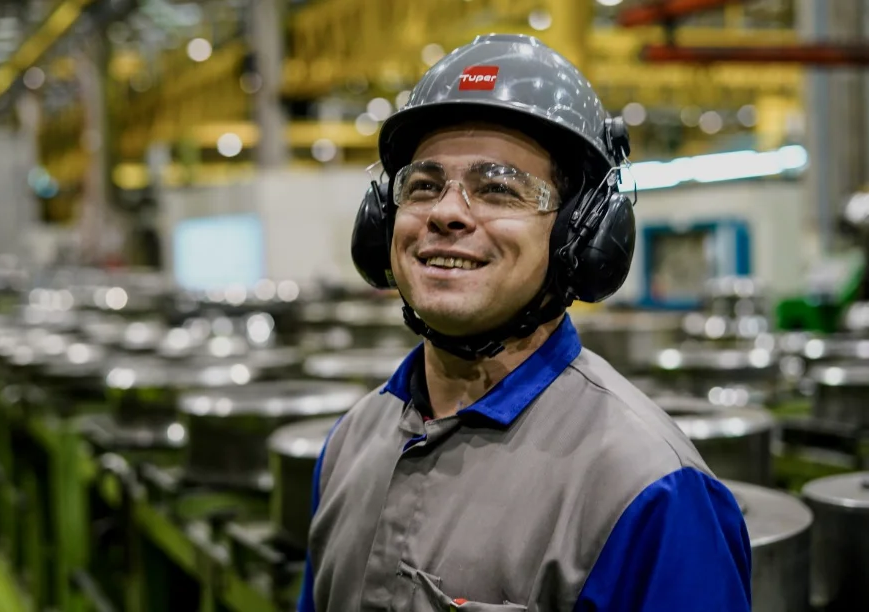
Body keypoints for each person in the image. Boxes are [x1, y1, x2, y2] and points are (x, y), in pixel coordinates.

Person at [297, 34, 751, 612]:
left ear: (580, 237)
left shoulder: (653, 492)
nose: (446, 212)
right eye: (424, 186)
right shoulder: (350, 443)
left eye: (498, 189)